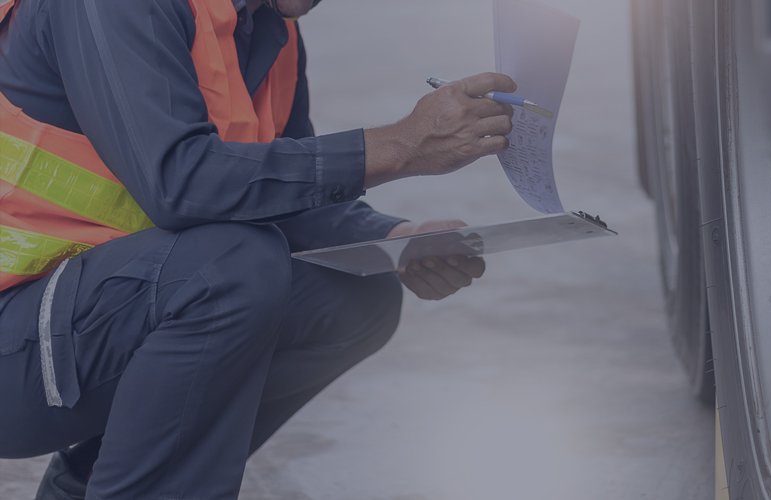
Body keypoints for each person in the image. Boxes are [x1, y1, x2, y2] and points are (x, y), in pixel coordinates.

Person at [0, 0, 516, 497]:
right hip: (15, 342)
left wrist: (392, 240)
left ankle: (97, 488)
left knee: (355, 296)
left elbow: (280, 195)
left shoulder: (268, 27)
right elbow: (179, 184)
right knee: (229, 267)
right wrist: (398, 145)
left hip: (82, 324)